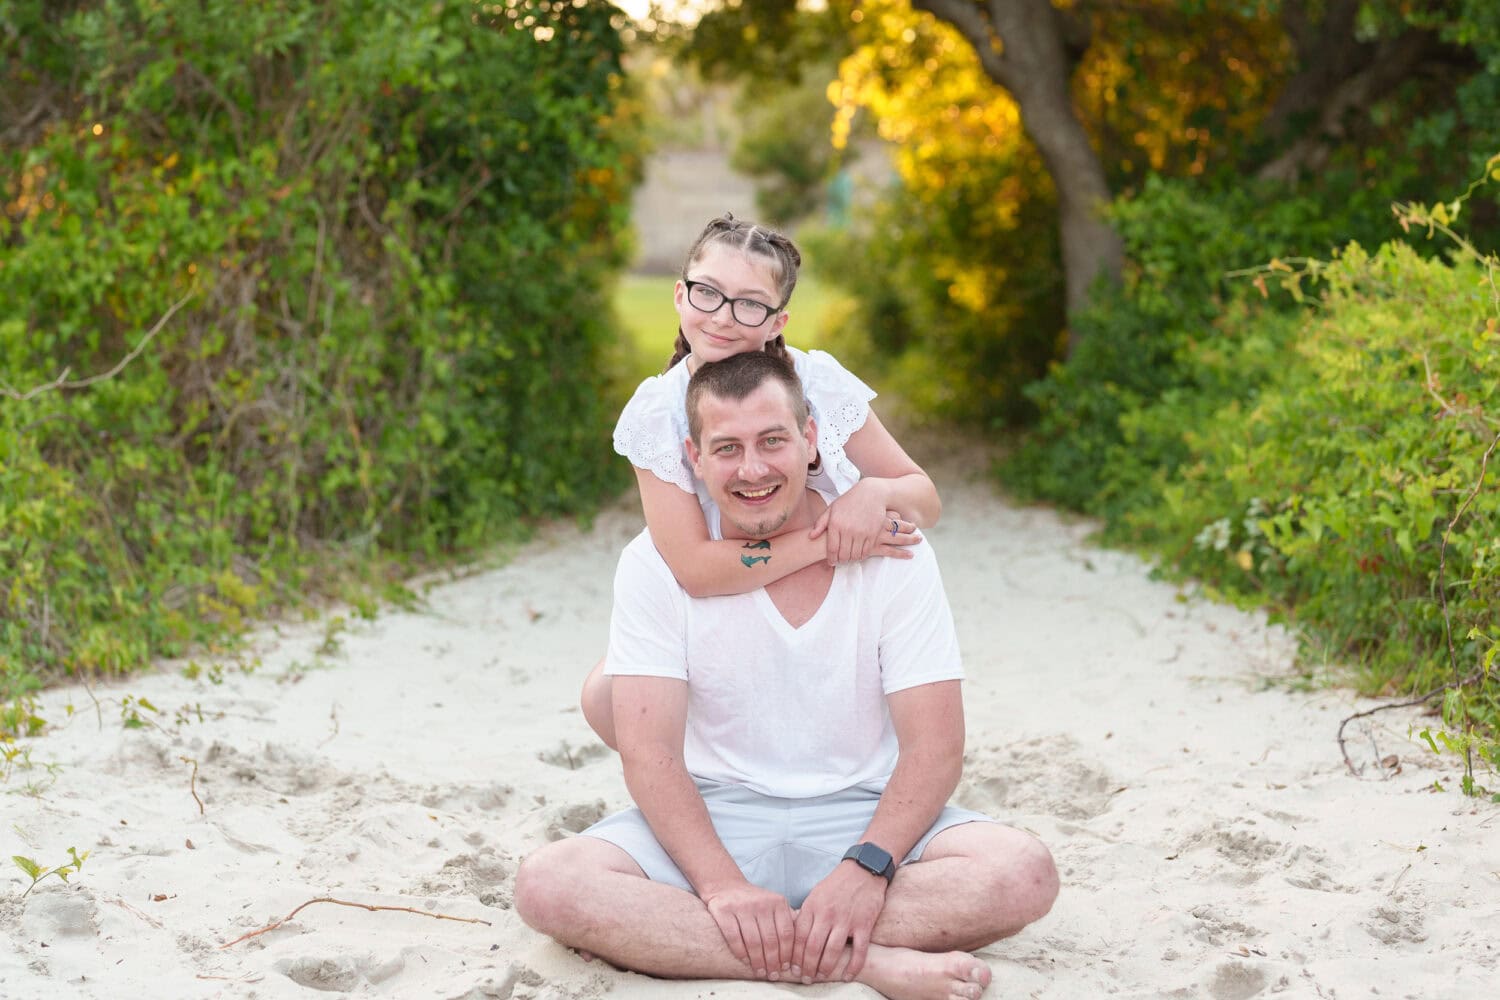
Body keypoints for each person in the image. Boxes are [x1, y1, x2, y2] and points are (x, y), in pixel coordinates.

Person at [516, 353, 1058, 1000]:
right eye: (727, 448)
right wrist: (721, 886)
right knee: (549, 885)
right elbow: (650, 753)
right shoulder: (654, 564)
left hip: (863, 811)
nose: (752, 469)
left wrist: (867, 867)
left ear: (810, 441)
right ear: (693, 456)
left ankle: (774, 944)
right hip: (714, 816)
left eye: (773, 440)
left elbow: (935, 746)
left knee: (1022, 873)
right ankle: (860, 961)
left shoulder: (895, 551)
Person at [582, 213, 941, 749]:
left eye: (749, 304)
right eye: (708, 293)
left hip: (829, 600)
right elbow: (697, 570)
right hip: (727, 591)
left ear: (777, 321)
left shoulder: (816, 380)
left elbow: (924, 498)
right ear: (680, 296)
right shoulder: (657, 411)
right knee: (603, 695)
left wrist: (875, 493)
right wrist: (827, 543)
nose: (723, 318)